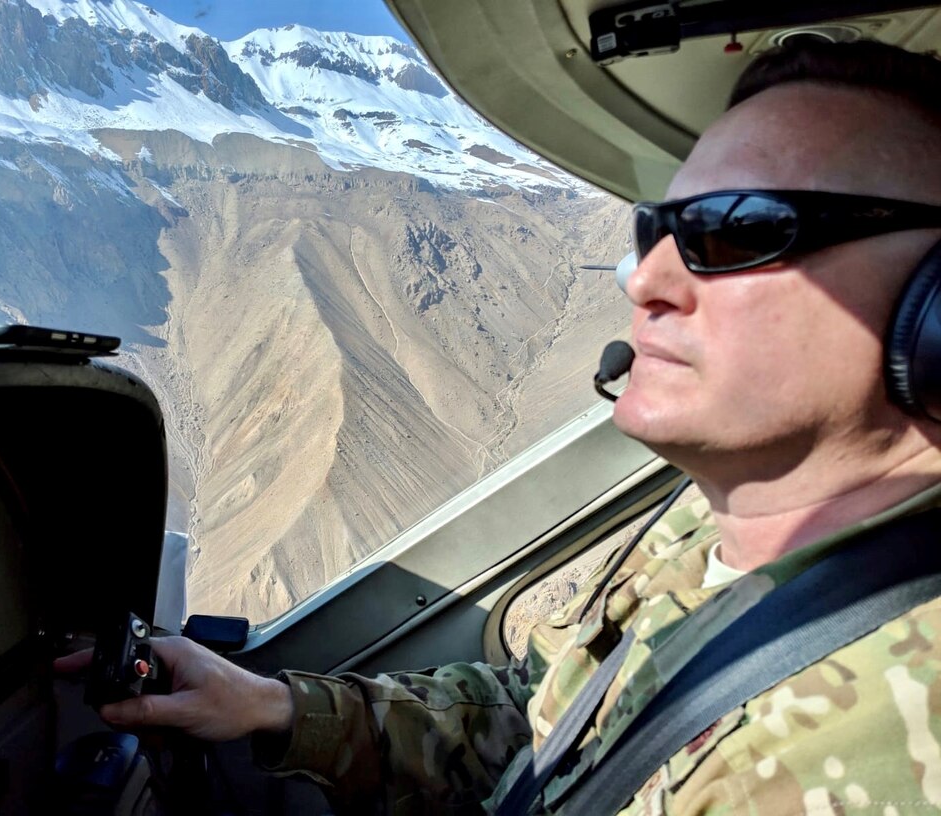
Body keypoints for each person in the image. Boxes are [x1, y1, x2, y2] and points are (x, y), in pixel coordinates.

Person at [57, 40, 941, 814]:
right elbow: (556, 721)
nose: (645, 283)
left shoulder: (872, 756)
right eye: (655, 230)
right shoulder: (709, 531)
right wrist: (275, 709)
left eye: (738, 229)